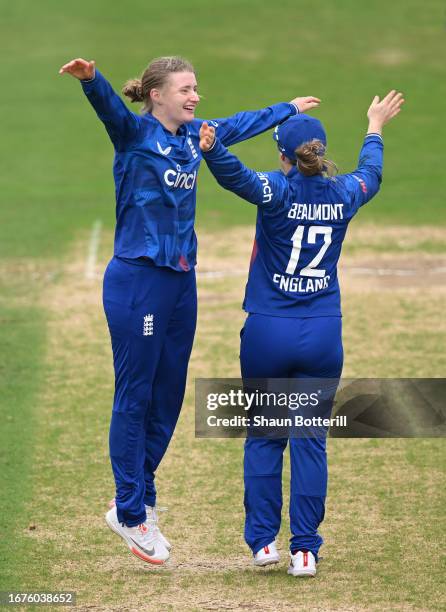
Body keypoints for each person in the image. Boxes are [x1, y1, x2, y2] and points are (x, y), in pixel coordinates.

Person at [59, 55, 321, 565]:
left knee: (170, 394)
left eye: (196, 88)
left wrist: (286, 107)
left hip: (182, 282)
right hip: (139, 279)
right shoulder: (135, 134)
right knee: (135, 394)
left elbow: (241, 125)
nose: (194, 96)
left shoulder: (195, 135)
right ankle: (131, 512)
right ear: (157, 94)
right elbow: (111, 110)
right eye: (184, 89)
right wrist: (92, 80)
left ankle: (138, 496)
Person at [199, 90, 404, 576]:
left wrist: (212, 149)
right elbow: (370, 173)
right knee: (311, 440)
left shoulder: (276, 189)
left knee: (266, 436)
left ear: (284, 156)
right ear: (321, 151)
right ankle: (305, 550)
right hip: (321, 335)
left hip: (268, 333)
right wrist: (375, 126)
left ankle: (264, 544)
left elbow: (237, 178)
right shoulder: (345, 193)